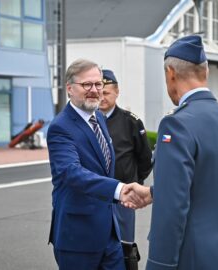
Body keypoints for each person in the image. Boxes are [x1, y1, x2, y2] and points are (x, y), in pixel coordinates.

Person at [123, 35, 218, 270]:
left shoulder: (176, 124)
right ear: (205, 72)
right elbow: (205, 184)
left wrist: (159, 264)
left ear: (170, 73)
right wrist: (153, 192)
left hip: (190, 256)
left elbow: (172, 207)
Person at [46, 59, 144, 270]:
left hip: (109, 234)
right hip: (78, 238)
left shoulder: (98, 117)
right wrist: (119, 190)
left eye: (98, 84)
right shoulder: (60, 127)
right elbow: (71, 173)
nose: (94, 90)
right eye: (86, 85)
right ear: (70, 88)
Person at [99, 69, 153, 244]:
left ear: (117, 92)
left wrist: (133, 182)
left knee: (123, 246)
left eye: (106, 93)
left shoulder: (131, 122)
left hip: (123, 197)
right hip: (96, 195)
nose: (102, 97)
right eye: (99, 92)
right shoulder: (88, 121)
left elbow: (145, 158)